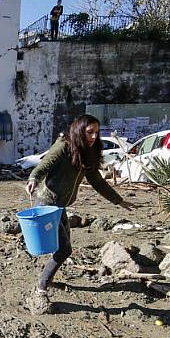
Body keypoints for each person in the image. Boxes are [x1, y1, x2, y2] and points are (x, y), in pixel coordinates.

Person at [25, 114, 135, 314]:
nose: (94, 136)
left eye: (96, 132)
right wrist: (33, 178)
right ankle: (41, 287)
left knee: (63, 248)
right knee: (64, 249)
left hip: (60, 205)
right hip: (47, 203)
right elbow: (45, 165)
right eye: (89, 132)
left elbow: (97, 181)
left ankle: (45, 280)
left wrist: (118, 200)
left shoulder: (89, 152)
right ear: (79, 130)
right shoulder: (64, 146)